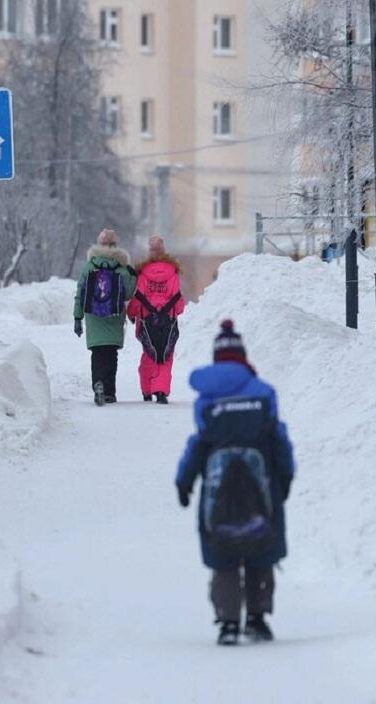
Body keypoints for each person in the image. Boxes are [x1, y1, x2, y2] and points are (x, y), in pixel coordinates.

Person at [175, 320, 295, 645]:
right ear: (242, 356)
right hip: (262, 483)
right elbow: (278, 439)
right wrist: (285, 477)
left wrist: (184, 481)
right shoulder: (263, 392)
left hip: (219, 491)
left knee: (223, 553)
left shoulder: (206, 399)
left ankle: (228, 623)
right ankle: (257, 619)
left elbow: (199, 444)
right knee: (261, 549)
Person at [73, 228, 136, 406]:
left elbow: (80, 294)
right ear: (115, 245)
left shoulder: (89, 266)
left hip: (93, 316)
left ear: (98, 245)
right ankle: (109, 392)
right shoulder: (121, 268)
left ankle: (98, 384)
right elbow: (128, 294)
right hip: (114, 315)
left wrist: (77, 318)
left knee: (97, 353)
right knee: (111, 354)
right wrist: (132, 275)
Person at [126, 236, 185, 404]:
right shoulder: (172, 272)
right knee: (166, 355)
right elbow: (177, 299)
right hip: (168, 320)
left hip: (146, 321)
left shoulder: (143, 272)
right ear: (163, 250)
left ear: (150, 252)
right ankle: (160, 392)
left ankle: (147, 390)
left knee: (149, 354)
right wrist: (175, 311)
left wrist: (131, 312)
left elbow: (138, 296)